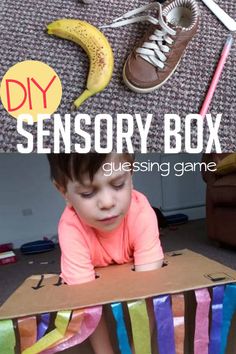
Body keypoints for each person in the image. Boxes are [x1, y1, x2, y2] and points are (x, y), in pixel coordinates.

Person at [47, 153, 164, 354]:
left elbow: (150, 290)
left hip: (137, 276)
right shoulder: (70, 227)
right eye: (87, 193)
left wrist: (139, 349)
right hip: (92, 284)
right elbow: (85, 300)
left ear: (131, 173)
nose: (107, 202)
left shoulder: (142, 213)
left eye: (118, 184)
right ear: (63, 191)